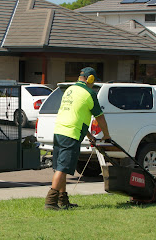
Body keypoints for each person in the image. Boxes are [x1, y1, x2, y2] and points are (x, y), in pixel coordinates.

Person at [44, 67, 111, 210]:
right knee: (62, 168)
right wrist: (106, 134)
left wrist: (89, 136)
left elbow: (77, 116)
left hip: (59, 131)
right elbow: (100, 117)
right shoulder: (89, 94)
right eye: (93, 82)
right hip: (71, 135)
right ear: (90, 79)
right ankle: (50, 202)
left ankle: (63, 200)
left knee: (59, 167)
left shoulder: (69, 90)